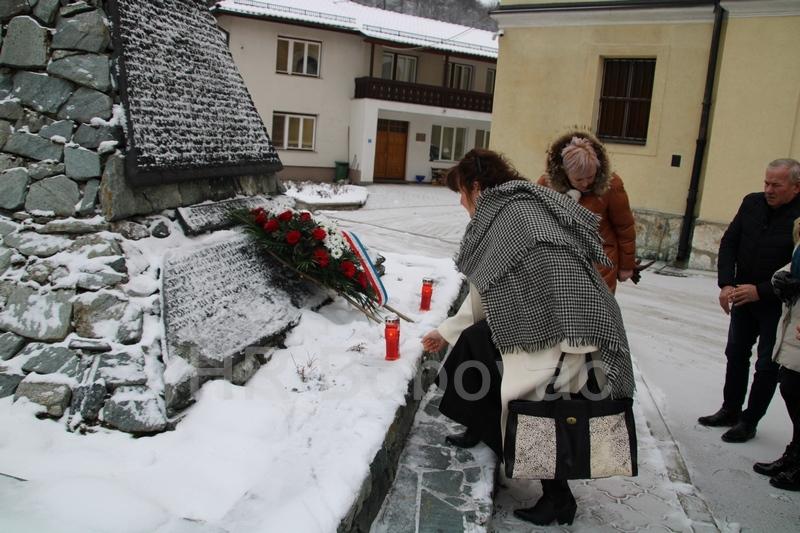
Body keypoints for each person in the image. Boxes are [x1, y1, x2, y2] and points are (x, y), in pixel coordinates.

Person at [421, 148, 635, 526]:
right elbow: (488, 288)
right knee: (475, 345)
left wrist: (572, 344)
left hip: (564, 327)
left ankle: (558, 500)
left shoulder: (513, 213)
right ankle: (482, 427)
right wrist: (446, 331)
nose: (460, 202)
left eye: (461, 193)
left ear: (475, 186)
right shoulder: (510, 207)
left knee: (540, 409)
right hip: (543, 316)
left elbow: (538, 278)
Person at [698, 158, 800, 443]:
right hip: (742, 297)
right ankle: (730, 410)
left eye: (776, 184)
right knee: (736, 353)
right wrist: (726, 284)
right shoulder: (751, 203)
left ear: (796, 187)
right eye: (766, 182)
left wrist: (761, 290)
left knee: (766, 365)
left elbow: (796, 271)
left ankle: (749, 420)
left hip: (778, 305)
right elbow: (730, 242)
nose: (768, 189)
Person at [537, 131, 636, 293]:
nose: (586, 183)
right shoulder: (547, 185)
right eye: (578, 179)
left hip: (601, 263)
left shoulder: (612, 185)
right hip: (560, 263)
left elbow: (624, 227)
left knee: (597, 315)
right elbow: (537, 222)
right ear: (564, 172)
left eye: (590, 176)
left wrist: (626, 265)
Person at [752, 218, 800, 491]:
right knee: (791, 388)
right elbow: (794, 262)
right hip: (793, 327)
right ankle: (794, 455)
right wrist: (781, 278)